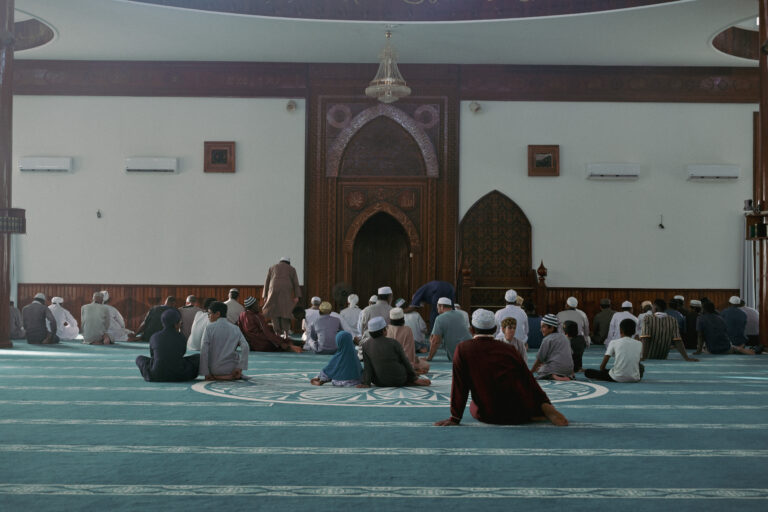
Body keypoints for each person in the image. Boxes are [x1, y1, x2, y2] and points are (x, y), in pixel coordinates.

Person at [434, 309, 568, 427]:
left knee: (473, 407)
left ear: (471, 330)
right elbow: (528, 380)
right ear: (495, 329)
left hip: (490, 414)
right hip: (518, 410)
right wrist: (544, 402)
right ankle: (540, 409)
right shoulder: (509, 349)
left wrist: (455, 417)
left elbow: (460, 385)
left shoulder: (463, 349)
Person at [358, 316, 431, 388]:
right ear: (384, 331)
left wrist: (366, 383)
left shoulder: (365, 345)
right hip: (399, 380)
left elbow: (367, 367)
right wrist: (415, 379)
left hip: (379, 382)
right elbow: (405, 362)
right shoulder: (393, 342)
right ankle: (411, 381)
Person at [135, 309, 200, 382]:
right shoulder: (181, 337)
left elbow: (152, 355)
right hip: (179, 375)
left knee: (139, 358)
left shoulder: (154, 337)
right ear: (176, 324)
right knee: (198, 357)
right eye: (180, 322)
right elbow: (182, 353)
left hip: (156, 375)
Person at [199, 301, 249, 380]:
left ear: (217, 314)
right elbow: (245, 347)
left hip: (214, 370)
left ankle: (219, 376)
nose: (208, 316)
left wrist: (206, 373)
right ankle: (230, 376)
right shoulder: (235, 328)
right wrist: (240, 367)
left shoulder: (209, 328)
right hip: (232, 370)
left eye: (209, 313)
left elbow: (204, 350)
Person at [695, 300, 761, 355]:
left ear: (704, 309)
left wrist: (698, 350)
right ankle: (753, 350)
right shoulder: (720, 318)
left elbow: (700, 336)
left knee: (704, 347)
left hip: (713, 350)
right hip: (727, 347)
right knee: (735, 348)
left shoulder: (700, 319)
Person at [262, 257, 301, 336]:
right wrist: (297, 296)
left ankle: (277, 333)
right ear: (288, 262)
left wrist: (265, 296)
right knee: (285, 312)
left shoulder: (272, 267)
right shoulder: (292, 269)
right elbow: (295, 283)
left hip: (272, 291)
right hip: (286, 291)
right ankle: (286, 333)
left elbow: (266, 282)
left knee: (273, 311)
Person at [386, 307, 429, 374]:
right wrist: (416, 360)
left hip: (387, 364)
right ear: (403, 319)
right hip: (404, 364)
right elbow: (409, 353)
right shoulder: (407, 330)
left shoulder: (386, 329)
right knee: (426, 365)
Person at [427, 297, 472, 362]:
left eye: (437, 307)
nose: (437, 309)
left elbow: (435, 341)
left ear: (441, 306)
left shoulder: (440, 318)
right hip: (471, 349)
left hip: (458, 355)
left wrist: (429, 358)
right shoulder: (460, 314)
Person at [531, 314, 573, 380]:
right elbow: (569, 356)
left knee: (541, 370)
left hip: (555, 369)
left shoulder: (547, 339)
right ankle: (568, 376)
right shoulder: (565, 337)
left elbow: (540, 359)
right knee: (544, 366)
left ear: (552, 328)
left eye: (543, 327)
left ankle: (553, 376)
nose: (541, 329)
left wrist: (530, 372)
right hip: (569, 370)